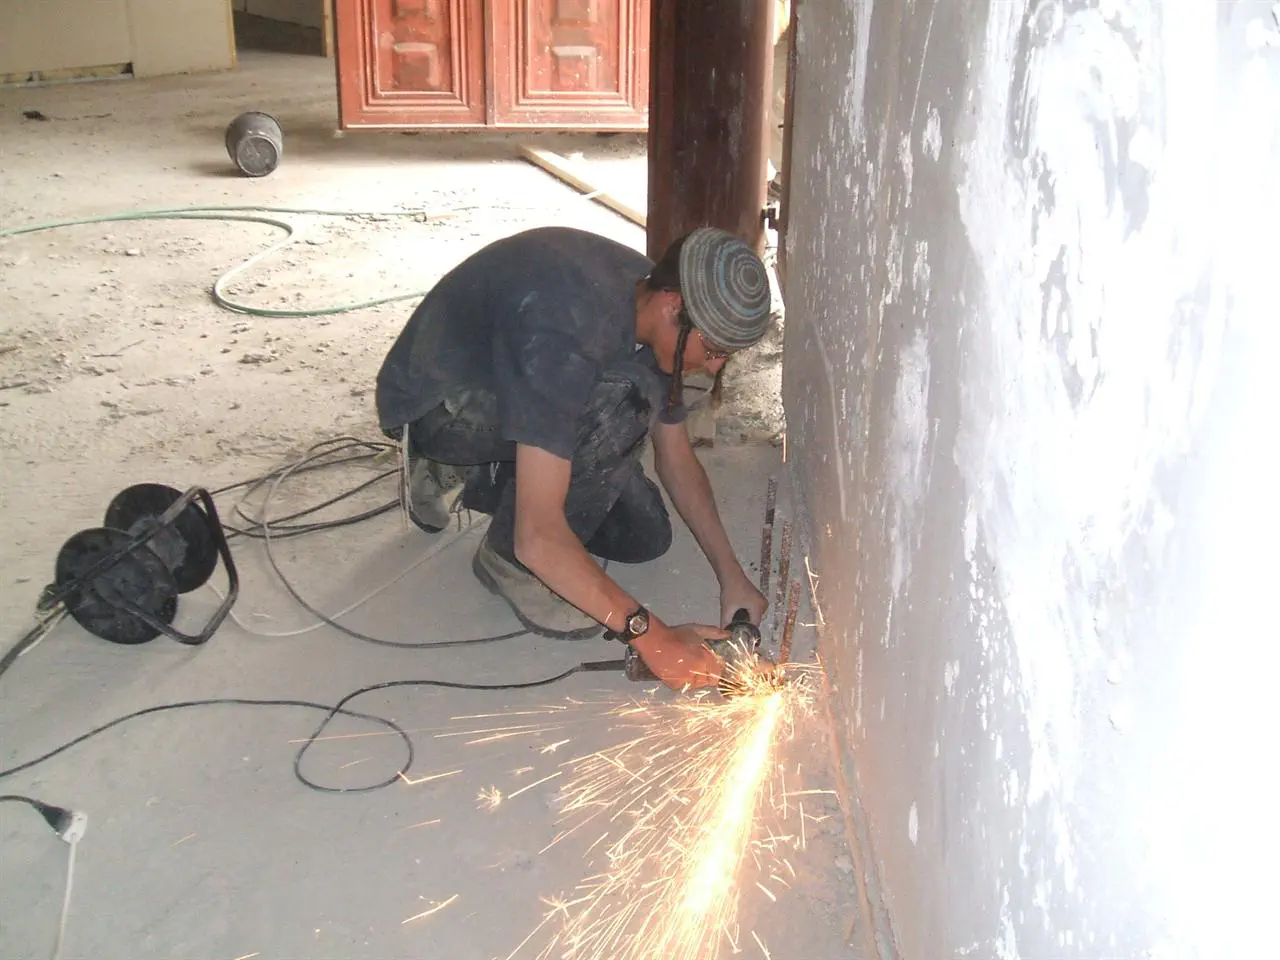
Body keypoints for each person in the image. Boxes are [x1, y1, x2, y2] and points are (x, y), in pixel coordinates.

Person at [374, 225, 773, 691]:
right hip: (440, 406)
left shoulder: (655, 302)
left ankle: (500, 474)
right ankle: (501, 551)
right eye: (714, 349)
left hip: (522, 378)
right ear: (673, 306)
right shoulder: (564, 328)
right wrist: (655, 639)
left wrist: (732, 575)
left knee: (643, 535)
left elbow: (676, 457)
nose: (715, 365)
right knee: (627, 400)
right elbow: (539, 536)